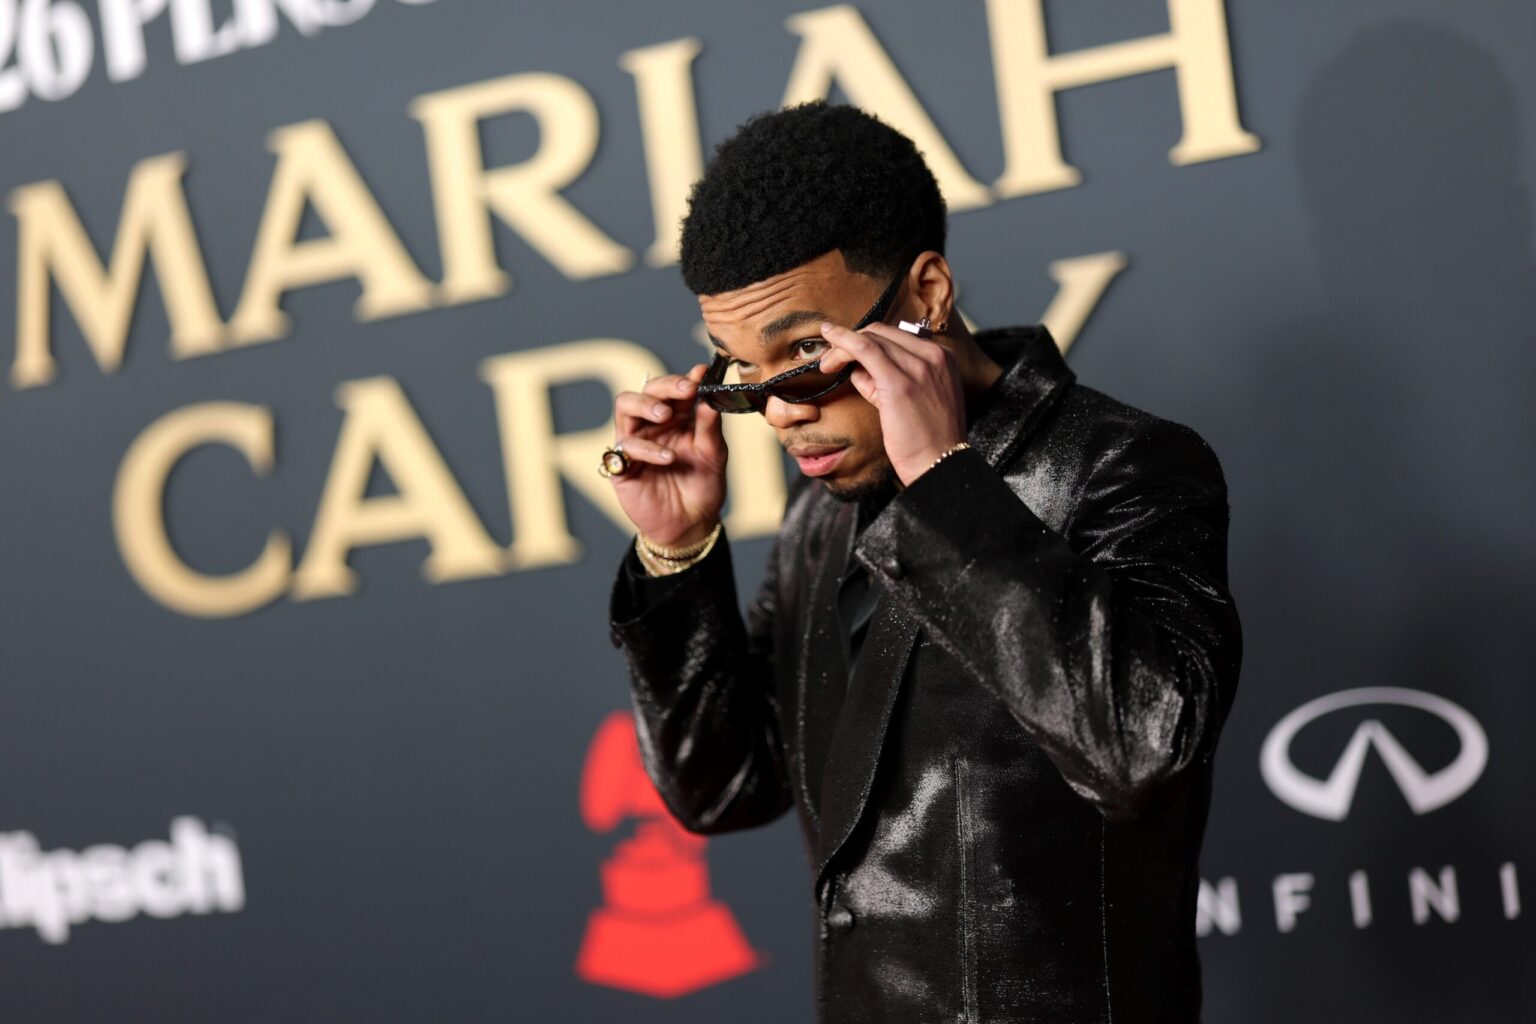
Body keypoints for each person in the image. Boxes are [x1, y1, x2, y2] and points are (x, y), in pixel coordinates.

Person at [600, 101, 1242, 1024]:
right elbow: (725, 787)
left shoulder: (1122, 466)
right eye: (743, 377)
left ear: (927, 293)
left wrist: (944, 482)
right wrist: (677, 551)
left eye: (806, 353)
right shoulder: (820, 513)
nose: (781, 412)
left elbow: (1144, 753)